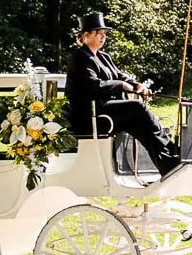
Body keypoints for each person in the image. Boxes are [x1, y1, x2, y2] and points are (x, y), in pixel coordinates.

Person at [67, 11, 181, 177]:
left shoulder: (103, 57)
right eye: (99, 33)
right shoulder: (80, 57)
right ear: (86, 35)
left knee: (139, 125)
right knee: (136, 107)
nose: (103, 37)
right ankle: (171, 147)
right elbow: (94, 86)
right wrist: (122, 85)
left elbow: (119, 75)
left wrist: (137, 85)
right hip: (92, 114)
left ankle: (168, 165)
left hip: (108, 111)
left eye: (104, 34)